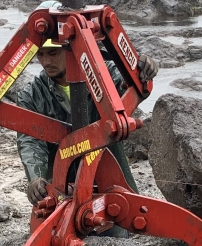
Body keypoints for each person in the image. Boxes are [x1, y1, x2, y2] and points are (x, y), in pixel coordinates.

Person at [16, 36, 158, 205]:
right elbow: (30, 141)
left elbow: (131, 84)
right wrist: (35, 177)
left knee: (122, 220)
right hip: (63, 182)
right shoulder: (31, 95)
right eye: (40, 55)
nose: (46, 61)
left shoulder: (104, 74)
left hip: (109, 174)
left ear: (70, 50)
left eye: (53, 53)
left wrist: (141, 69)